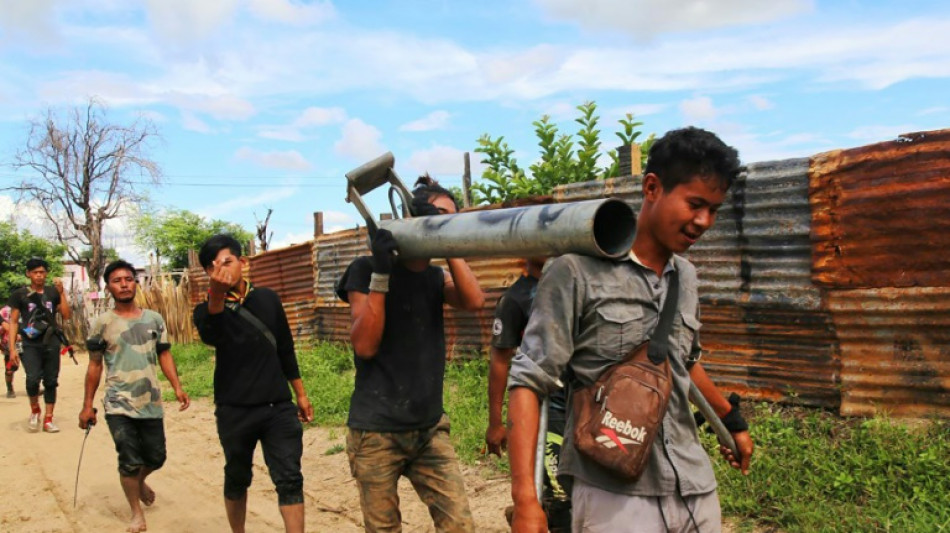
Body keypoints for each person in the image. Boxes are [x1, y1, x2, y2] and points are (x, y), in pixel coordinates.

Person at [507, 127, 756, 533]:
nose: (704, 221)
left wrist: (732, 421)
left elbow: (682, 364)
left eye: (714, 209)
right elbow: (528, 381)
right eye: (695, 204)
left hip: (693, 486)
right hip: (613, 493)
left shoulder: (686, 277)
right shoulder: (575, 270)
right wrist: (525, 500)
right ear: (653, 188)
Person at [336, 175, 485, 533]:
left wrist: (451, 246)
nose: (445, 223)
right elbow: (365, 344)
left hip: (429, 429)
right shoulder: (366, 269)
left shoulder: (436, 277)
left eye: (452, 218)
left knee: (460, 526)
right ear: (411, 214)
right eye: (438, 215)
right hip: (376, 432)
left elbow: (474, 301)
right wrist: (382, 275)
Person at [193, 234, 314, 533]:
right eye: (212, 267)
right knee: (237, 477)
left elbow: (285, 347)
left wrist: (300, 393)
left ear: (243, 263)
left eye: (226, 262)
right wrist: (217, 295)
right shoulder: (206, 309)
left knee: (289, 478)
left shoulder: (268, 299)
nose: (220, 270)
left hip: (278, 408)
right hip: (234, 410)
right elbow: (212, 335)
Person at [79, 260, 191, 533]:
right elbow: (94, 365)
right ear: (109, 287)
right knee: (129, 459)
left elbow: (164, 353)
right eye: (117, 280)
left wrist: (176, 387)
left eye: (129, 279)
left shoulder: (154, 319)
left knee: (156, 457)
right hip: (118, 403)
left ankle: (139, 482)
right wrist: (87, 406)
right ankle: (136, 513)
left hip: (150, 401)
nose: (124, 284)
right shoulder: (102, 323)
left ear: (136, 283)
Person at [485, 256, 572, 531]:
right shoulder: (516, 298)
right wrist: (496, 423)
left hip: (585, 406)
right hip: (549, 408)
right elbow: (500, 361)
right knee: (559, 495)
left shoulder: (577, 284)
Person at [6, 257, 71, 433]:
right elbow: (13, 322)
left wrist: (62, 293)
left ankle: (48, 419)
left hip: (51, 341)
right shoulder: (19, 295)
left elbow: (66, 315)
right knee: (32, 379)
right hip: (29, 343)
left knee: (51, 381)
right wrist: (12, 349)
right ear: (28, 274)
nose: (39, 276)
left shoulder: (53, 292)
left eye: (42, 272)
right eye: (35, 272)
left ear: (46, 273)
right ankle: (35, 410)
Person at [1, 305, 20, 398]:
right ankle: (9, 389)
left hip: (24, 342)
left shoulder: (27, 307)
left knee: (30, 365)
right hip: (8, 342)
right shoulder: (4, 311)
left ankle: (34, 387)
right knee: (10, 368)